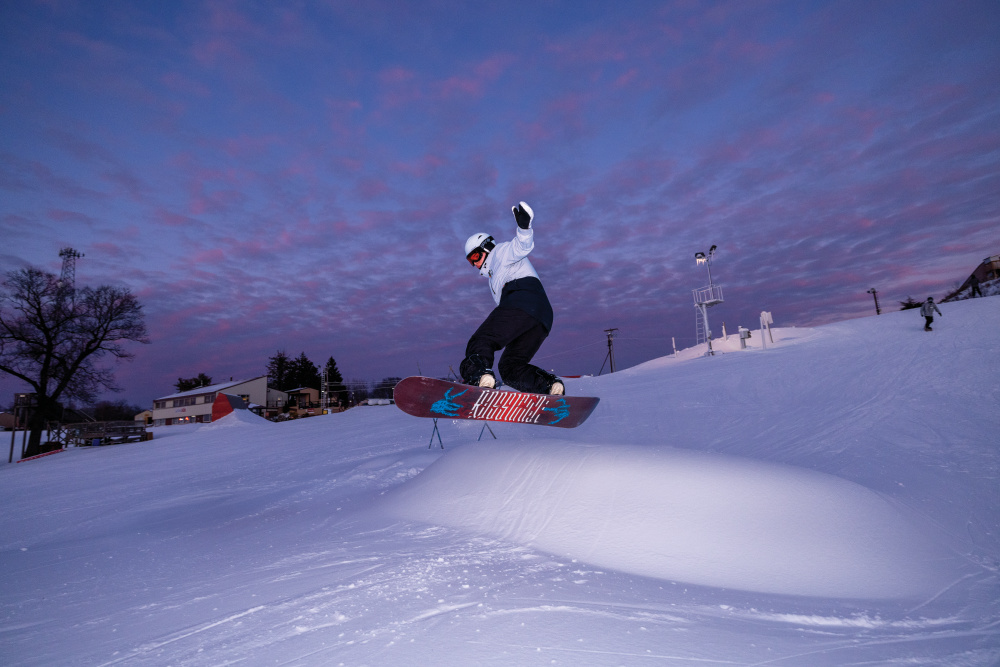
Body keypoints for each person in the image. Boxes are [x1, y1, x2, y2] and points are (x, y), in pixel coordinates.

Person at [460, 201, 564, 395]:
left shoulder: (500, 252)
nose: (474, 264)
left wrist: (524, 228)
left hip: (522, 298)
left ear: (486, 247)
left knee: (481, 341)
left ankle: (479, 378)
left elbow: (520, 247)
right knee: (510, 367)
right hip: (541, 316)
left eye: (475, 257)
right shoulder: (494, 277)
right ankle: (550, 387)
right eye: (470, 262)